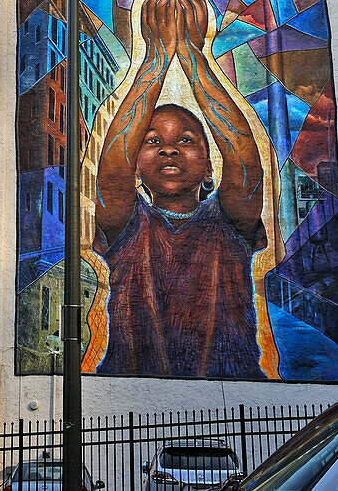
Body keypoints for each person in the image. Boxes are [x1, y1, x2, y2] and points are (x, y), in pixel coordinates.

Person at [94, 101, 266, 378]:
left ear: (209, 169)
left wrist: (197, 64)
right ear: (135, 168)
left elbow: (243, 156)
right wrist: (153, 68)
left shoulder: (229, 221)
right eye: (153, 141)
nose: (169, 149)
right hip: (128, 388)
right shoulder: (127, 223)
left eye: (185, 140)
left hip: (234, 389)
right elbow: (113, 173)